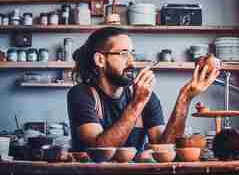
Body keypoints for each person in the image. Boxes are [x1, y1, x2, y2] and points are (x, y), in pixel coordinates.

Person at [67, 27, 220, 152]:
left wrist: (185, 98)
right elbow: (99, 150)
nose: (132, 62)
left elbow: (164, 148)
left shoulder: (146, 96)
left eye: (132, 54)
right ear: (100, 59)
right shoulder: (81, 94)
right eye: (124, 54)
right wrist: (137, 104)